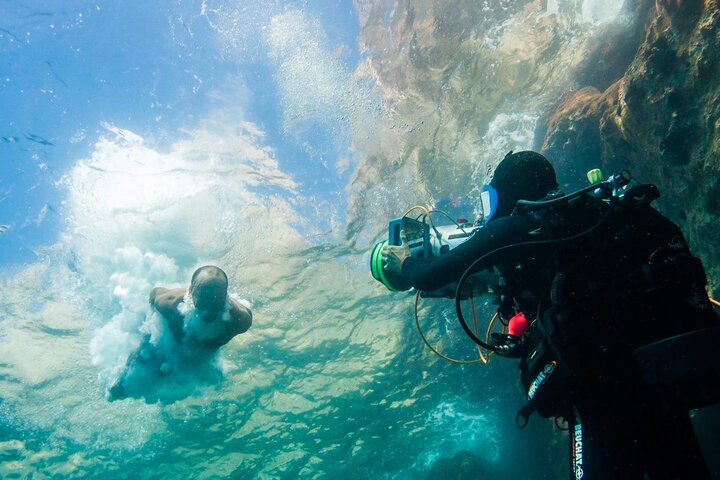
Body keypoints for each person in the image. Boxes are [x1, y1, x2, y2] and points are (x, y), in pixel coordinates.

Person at [382, 151, 719, 479]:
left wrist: (403, 261)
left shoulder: (520, 225)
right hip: (658, 378)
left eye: (490, 201)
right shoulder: (600, 210)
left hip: (603, 395)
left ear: (508, 194)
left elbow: (428, 277)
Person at [108, 265, 252, 401]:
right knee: (128, 378)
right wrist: (150, 326)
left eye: (216, 300)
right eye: (204, 299)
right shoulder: (168, 304)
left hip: (201, 356)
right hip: (168, 341)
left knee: (213, 380)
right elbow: (154, 294)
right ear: (191, 293)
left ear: (225, 296)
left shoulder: (240, 320)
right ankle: (121, 382)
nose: (208, 308)